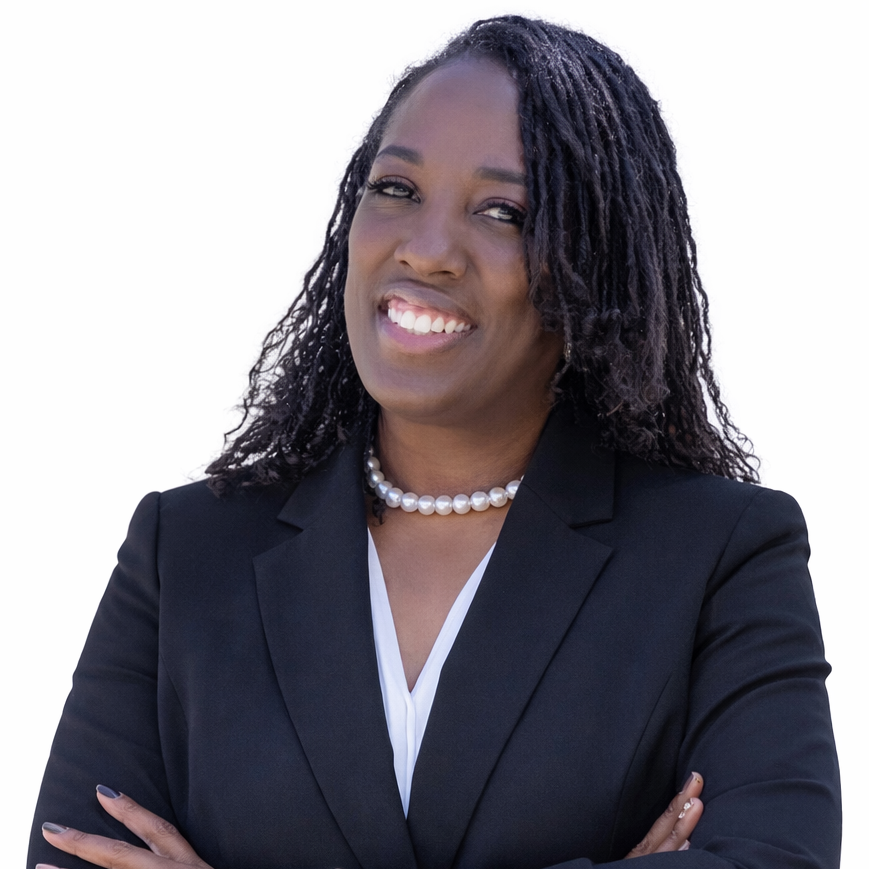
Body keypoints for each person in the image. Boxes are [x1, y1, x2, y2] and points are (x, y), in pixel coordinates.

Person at [29, 15, 840, 869]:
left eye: (502, 211)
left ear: (595, 266)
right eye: (396, 190)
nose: (426, 250)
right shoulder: (187, 553)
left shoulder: (718, 555)